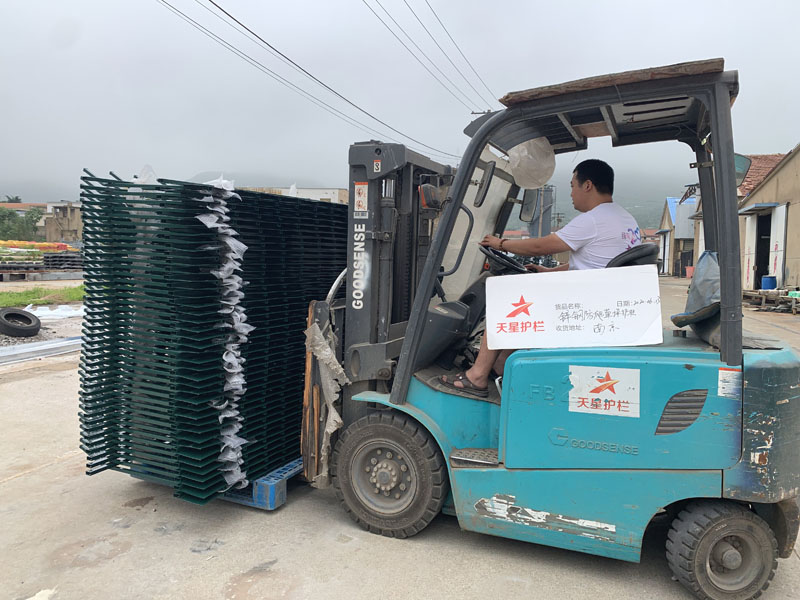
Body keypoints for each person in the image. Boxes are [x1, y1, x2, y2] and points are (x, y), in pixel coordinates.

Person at [440, 159, 641, 397]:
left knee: (508, 305)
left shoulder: (594, 219)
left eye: (572, 186)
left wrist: (500, 243)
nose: (571, 193)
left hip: (588, 308)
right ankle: (501, 365)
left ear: (587, 185)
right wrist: (547, 272)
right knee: (523, 306)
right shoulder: (624, 218)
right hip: (606, 301)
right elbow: (592, 263)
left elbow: (541, 246)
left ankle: (477, 376)